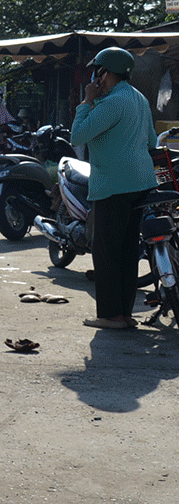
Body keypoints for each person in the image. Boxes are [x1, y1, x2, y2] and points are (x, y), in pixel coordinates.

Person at [71, 47, 157, 329]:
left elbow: (78, 135)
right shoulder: (139, 99)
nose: (97, 77)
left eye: (98, 71)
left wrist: (86, 101)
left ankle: (110, 316)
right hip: (141, 183)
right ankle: (125, 313)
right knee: (128, 250)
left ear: (105, 72)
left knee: (106, 250)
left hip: (113, 185)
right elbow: (152, 143)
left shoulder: (111, 103)